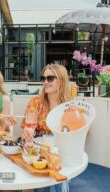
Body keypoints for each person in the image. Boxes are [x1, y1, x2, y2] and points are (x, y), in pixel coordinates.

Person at [21, 64, 71, 192]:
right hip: (40, 149)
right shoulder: (36, 102)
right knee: (46, 182)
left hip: (62, 150)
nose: (45, 82)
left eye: (50, 78)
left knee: (59, 177)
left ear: (61, 80)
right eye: (43, 78)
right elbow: (28, 128)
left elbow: (76, 133)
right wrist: (28, 132)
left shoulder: (70, 105)